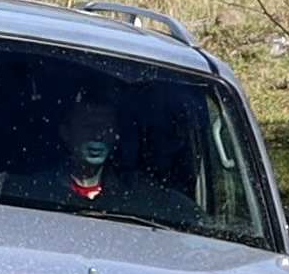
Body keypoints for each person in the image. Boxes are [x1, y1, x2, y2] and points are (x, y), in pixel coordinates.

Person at [14, 89, 203, 225]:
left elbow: (198, 223)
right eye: (88, 127)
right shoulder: (33, 191)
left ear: (116, 136)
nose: (98, 136)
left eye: (106, 128)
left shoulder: (142, 196)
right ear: (66, 133)